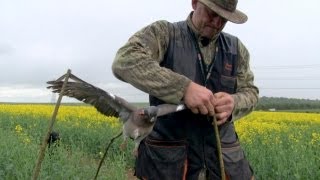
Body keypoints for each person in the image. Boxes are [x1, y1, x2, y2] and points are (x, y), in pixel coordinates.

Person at [112, 0, 259, 179]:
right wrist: (183, 88)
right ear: (195, 3)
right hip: (167, 163)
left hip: (226, 162)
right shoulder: (164, 33)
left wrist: (233, 104)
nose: (217, 23)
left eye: (224, 19)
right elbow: (125, 60)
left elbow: (251, 92)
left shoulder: (237, 49)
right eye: (212, 13)